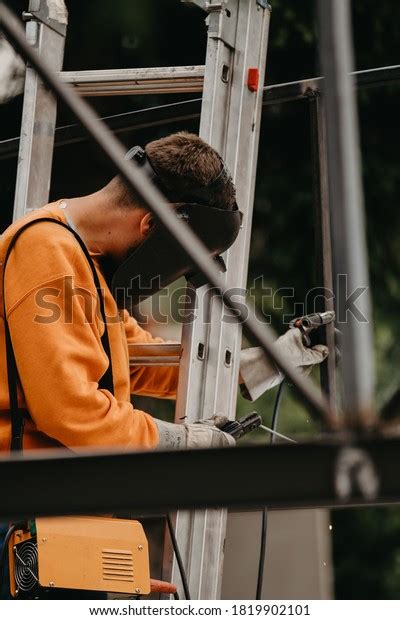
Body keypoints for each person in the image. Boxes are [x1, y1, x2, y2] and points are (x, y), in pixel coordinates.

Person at [0, 131, 327, 453]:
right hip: (28, 498)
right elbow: (72, 413)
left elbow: (135, 362)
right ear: (151, 225)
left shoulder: (86, 263)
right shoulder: (46, 251)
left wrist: (266, 363)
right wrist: (178, 440)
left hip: (64, 494)